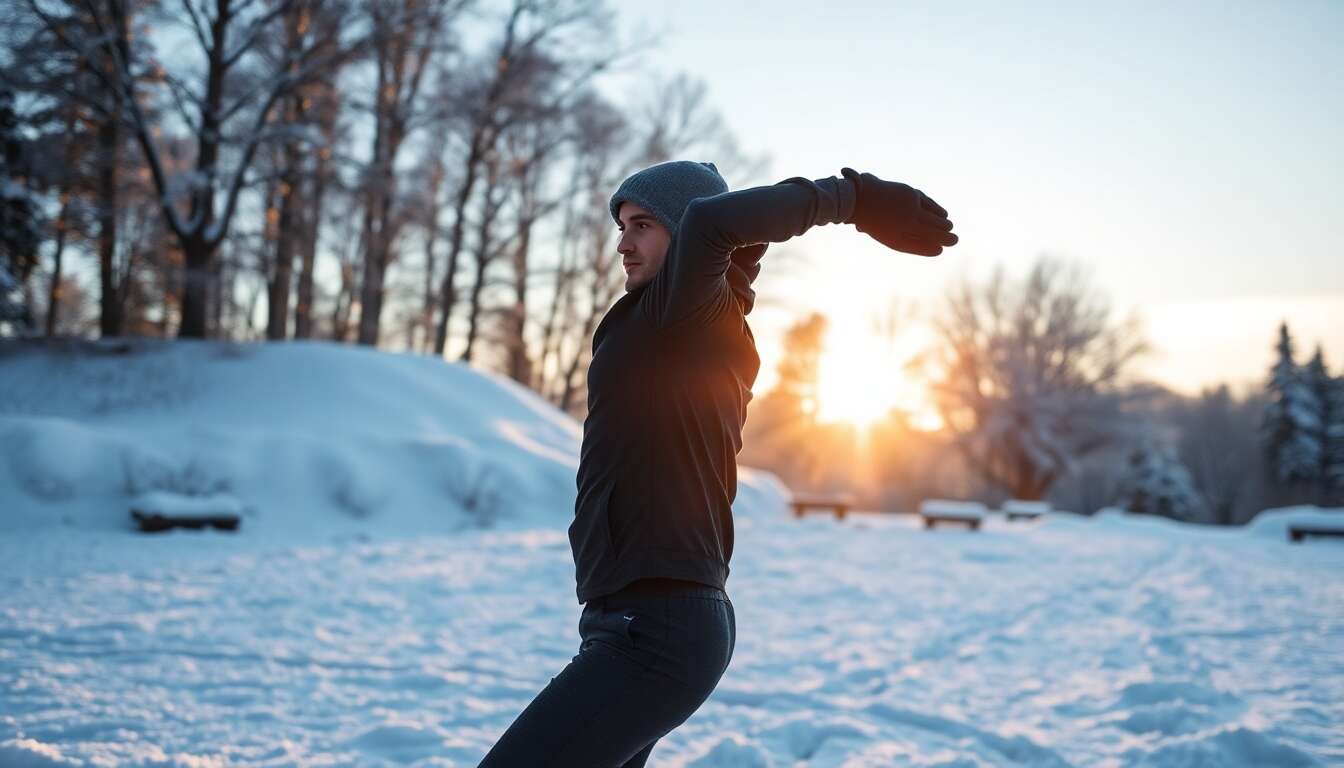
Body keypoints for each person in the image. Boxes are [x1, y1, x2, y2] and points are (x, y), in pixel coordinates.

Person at [478, 161, 957, 767]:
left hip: (657, 628)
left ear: (682, 235)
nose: (624, 242)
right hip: (629, 619)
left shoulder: (688, 316)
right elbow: (721, 235)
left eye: (644, 225)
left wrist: (852, 199)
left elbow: (711, 221)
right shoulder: (671, 318)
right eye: (622, 226)